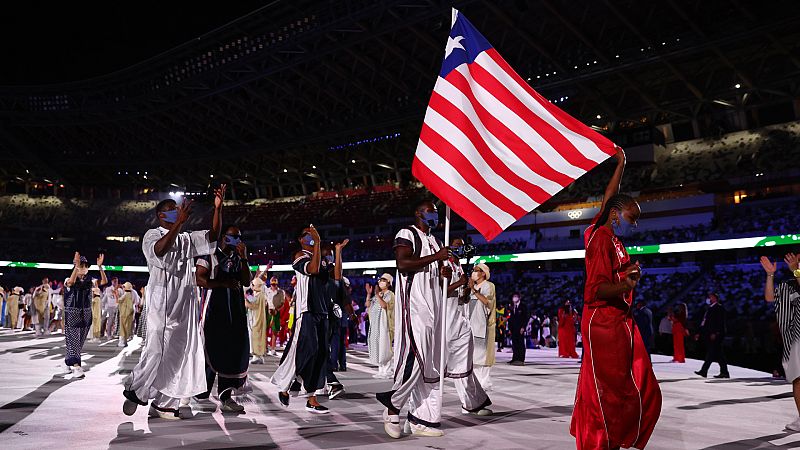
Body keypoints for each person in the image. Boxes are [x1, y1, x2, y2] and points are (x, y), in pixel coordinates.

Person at [570, 147, 661, 450]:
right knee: (611, 388)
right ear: (615, 216)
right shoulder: (600, 241)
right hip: (603, 321)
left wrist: (621, 163)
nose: (634, 225)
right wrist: (625, 284)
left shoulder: (608, 232)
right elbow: (595, 290)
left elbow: (611, 197)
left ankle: (611, 436)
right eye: (631, 219)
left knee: (632, 382)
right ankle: (603, 441)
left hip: (617, 319)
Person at [122, 185, 225, 420]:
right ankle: (136, 391)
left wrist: (218, 209)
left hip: (184, 303)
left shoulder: (187, 239)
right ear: (161, 215)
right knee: (156, 351)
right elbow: (159, 251)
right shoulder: (152, 235)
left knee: (178, 354)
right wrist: (178, 223)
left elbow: (213, 236)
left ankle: (164, 404)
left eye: (177, 208)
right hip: (161, 303)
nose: (177, 210)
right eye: (172, 209)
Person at [376, 200, 453, 439]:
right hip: (414, 306)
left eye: (436, 212)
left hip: (434, 308)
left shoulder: (436, 241)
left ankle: (421, 419)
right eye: (430, 211)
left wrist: (444, 271)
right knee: (414, 359)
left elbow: (436, 272)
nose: (435, 215)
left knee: (431, 365)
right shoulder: (407, 233)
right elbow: (403, 264)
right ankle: (392, 407)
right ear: (418, 213)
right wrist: (437, 257)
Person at [271, 225, 337, 414]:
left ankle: (310, 397)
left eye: (314, 234)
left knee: (321, 353)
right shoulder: (299, 255)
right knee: (304, 350)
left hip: (322, 311)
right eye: (308, 234)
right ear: (300, 239)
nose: (312, 237)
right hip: (306, 310)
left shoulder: (320, 257)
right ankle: (285, 384)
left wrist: (338, 253)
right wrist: (317, 243)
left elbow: (336, 276)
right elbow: (313, 269)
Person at [196, 225, 252, 413]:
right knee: (209, 348)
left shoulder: (237, 258)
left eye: (239, 237)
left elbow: (246, 281)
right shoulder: (209, 254)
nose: (238, 240)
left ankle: (226, 396)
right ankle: (200, 391)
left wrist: (244, 258)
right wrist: (223, 283)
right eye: (234, 237)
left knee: (232, 351)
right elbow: (199, 279)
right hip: (214, 309)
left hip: (235, 310)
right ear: (224, 237)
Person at [761, 253, 800, 431]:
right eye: (796, 260)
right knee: (798, 379)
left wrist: (796, 271)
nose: (796, 262)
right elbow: (770, 297)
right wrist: (770, 275)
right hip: (795, 338)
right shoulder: (789, 284)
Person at [62, 253, 107, 378]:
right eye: (82, 265)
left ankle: (67, 362)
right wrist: (76, 267)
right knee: (74, 341)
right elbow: (71, 283)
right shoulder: (68, 279)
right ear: (76, 266)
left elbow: (104, 281)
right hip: (72, 315)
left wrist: (100, 267)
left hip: (86, 315)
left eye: (86, 266)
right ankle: (77, 367)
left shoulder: (90, 281)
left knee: (79, 343)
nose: (84, 268)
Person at [466, 263, 497, 392]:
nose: (473, 272)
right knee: (473, 357)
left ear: (483, 273)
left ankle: (484, 383)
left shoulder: (488, 286)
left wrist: (473, 289)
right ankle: (476, 383)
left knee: (483, 357)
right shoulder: (472, 287)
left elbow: (487, 302)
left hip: (484, 325)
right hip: (472, 324)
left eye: (476, 270)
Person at [694, 292, 729, 378]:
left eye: (710, 297)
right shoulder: (709, 308)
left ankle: (704, 371)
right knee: (718, 354)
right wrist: (699, 332)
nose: (709, 299)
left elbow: (720, 322)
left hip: (716, 334)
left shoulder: (719, 308)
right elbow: (704, 322)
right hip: (710, 333)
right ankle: (724, 372)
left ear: (715, 298)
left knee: (712, 352)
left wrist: (715, 332)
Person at [366, 274, 395, 379]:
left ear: (389, 283)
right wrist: (369, 294)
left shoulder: (390, 294)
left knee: (384, 347)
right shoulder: (378, 294)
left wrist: (377, 295)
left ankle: (388, 371)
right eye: (380, 280)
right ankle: (381, 370)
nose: (380, 282)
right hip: (375, 325)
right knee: (378, 347)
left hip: (384, 326)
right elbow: (368, 305)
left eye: (383, 280)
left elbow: (384, 306)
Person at [246, 273, 268, 364]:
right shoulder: (261, 294)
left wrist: (245, 298)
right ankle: (260, 356)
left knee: (255, 337)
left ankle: (256, 356)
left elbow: (252, 305)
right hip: (259, 318)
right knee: (259, 337)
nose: (252, 286)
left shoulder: (259, 295)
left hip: (256, 319)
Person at [265, 276, 286, 357]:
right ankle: (265, 348)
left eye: (275, 283)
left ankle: (273, 349)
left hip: (276, 312)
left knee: (275, 331)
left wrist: (277, 310)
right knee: (265, 331)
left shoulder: (281, 292)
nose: (273, 285)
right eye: (272, 283)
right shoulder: (267, 290)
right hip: (267, 312)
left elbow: (282, 303)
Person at [508, 293, 528, 365]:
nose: (514, 298)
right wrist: (510, 328)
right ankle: (515, 358)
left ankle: (521, 359)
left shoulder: (523, 306)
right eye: (514, 297)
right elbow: (510, 318)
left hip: (520, 328)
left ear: (519, 298)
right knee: (514, 343)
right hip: (513, 328)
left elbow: (526, 318)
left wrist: (523, 327)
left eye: (516, 297)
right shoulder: (512, 306)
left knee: (520, 343)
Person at [117, 282, 136, 347]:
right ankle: (125, 342)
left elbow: (118, 300)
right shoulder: (132, 293)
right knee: (127, 326)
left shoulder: (126, 294)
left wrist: (116, 294)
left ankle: (122, 342)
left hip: (124, 312)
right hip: (129, 312)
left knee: (123, 327)